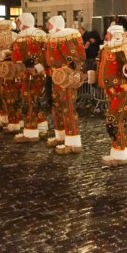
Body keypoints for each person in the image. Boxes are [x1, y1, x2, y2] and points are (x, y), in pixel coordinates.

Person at [97, 25, 127, 166]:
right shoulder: (107, 48)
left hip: (123, 90)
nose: (106, 36)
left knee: (113, 120)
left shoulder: (123, 47)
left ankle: (119, 152)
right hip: (114, 91)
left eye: (108, 34)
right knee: (122, 121)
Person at [44, 15, 86, 154]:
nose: (47, 27)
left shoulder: (64, 37)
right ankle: (60, 135)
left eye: (49, 24)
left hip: (66, 78)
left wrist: (72, 65)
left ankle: (73, 139)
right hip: (57, 77)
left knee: (68, 107)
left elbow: (73, 57)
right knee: (57, 106)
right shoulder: (53, 38)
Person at [12, 13, 49, 143]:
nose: (17, 24)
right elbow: (46, 54)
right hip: (38, 73)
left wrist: (23, 67)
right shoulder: (42, 35)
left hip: (28, 74)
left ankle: (31, 131)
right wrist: (40, 67)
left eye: (18, 21)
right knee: (36, 99)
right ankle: (41, 125)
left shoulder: (24, 36)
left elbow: (22, 56)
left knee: (28, 100)